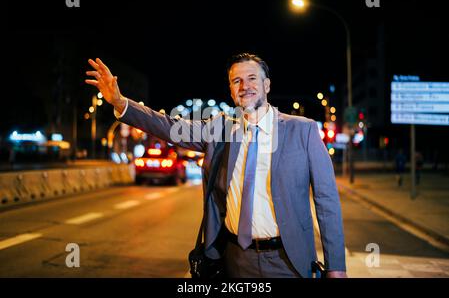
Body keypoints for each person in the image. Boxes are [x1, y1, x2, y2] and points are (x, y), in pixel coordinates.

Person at [85, 54, 347, 278]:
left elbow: (327, 200)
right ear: (231, 91)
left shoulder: (303, 130)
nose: (245, 86)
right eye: (237, 81)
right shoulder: (219, 128)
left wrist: (336, 266)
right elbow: (168, 127)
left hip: (288, 261)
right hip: (234, 259)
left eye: (252, 78)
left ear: (267, 85)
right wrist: (121, 103)